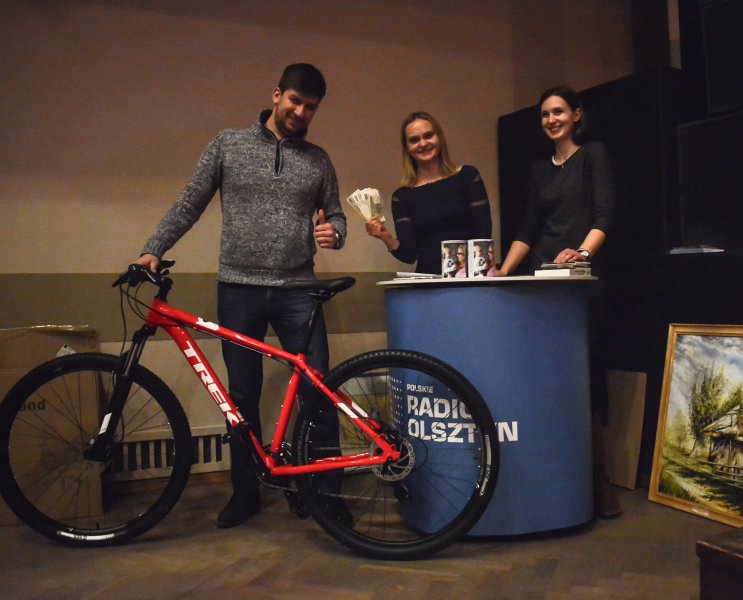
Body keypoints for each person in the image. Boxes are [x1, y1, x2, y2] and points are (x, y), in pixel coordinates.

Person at [135, 63, 346, 528]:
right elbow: (190, 201)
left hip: (298, 290)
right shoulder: (228, 144)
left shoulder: (318, 159)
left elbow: (336, 214)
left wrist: (336, 231)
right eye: (295, 101)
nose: (301, 112)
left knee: (318, 388)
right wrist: (154, 248)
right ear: (276, 95)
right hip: (239, 289)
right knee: (242, 395)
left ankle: (328, 493)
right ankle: (245, 492)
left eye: (311, 107)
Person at [496, 86, 620, 518]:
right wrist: (503, 271)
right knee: (547, 378)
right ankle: (554, 479)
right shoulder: (538, 170)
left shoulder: (594, 155)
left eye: (559, 112)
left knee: (585, 374)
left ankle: (598, 484)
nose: (551, 120)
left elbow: (603, 215)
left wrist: (581, 254)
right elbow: (528, 228)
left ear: (576, 115)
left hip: (582, 280)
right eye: (545, 114)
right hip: (542, 280)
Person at [365, 111, 492, 275]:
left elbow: (484, 233)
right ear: (407, 148)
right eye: (414, 140)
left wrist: (474, 277)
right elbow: (409, 255)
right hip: (428, 281)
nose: (423, 143)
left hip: (470, 279)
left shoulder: (468, 176)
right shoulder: (402, 197)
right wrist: (385, 236)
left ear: (439, 138)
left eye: (428, 135)